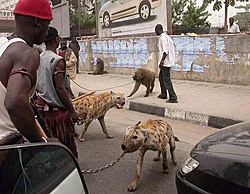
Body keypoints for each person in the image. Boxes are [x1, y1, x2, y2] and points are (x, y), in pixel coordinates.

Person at [0, 0, 52, 145]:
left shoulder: (2, 44)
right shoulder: (26, 53)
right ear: (37, 23)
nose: (47, 31)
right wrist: (40, 142)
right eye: (47, 24)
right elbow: (15, 102)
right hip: (8, 149)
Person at [34, 26, 79, 159]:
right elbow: (60, 88)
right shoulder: (57, 60)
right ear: (57, 40)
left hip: (41, 110)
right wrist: (72, 111)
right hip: (56, 114)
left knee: (47, 145)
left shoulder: (39, 57)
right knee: (63, 145)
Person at [155, 24, 178, 103]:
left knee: (166, 80)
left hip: (165, 62)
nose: (155, 33)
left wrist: (162, 61)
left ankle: (173, 97)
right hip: (167, 62)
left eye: (156, 31)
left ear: (159, 30)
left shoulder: (162, 38)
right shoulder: (167, 37)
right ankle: (163, 93)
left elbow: (165, 51)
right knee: (161, 77)